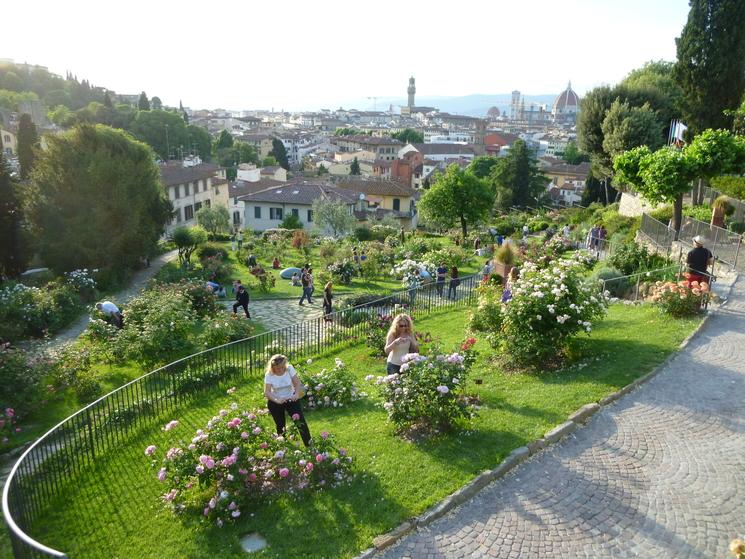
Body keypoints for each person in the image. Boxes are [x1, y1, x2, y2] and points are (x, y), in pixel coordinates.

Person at [263, 354, 312, 446]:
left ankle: (309, 444)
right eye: (278, 368)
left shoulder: (289, 368)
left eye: (282, 367)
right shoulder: (269, 375)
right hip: (275, 402)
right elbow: (267, 392)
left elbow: (297, 383)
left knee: (301, 423)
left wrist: (296, 394)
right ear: (272, 367)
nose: (281, 370)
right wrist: (277, 400)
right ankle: (283, 445)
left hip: (291, 399)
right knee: (280, 425)